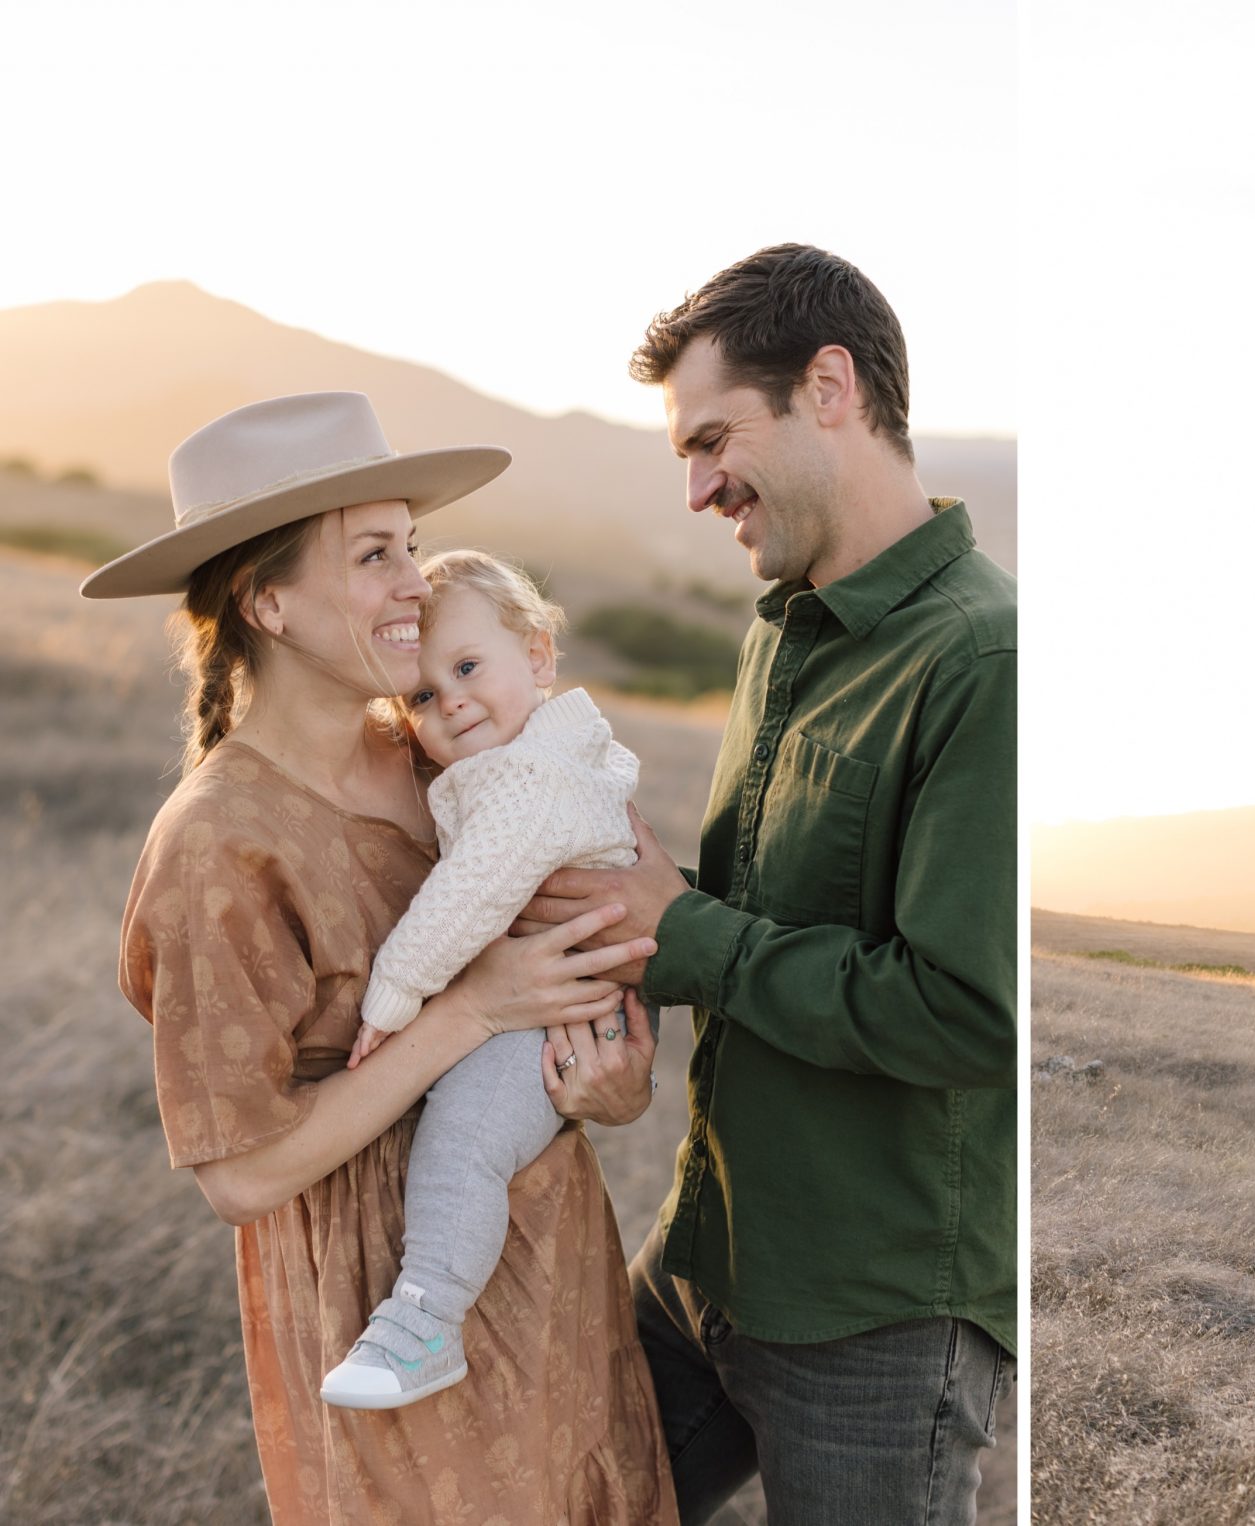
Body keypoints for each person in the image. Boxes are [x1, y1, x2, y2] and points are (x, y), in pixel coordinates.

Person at [87, 392, 679, 1523]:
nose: (416, 580)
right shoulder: (219, 844)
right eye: (373, 555)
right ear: (267, 602)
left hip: (553, 1276)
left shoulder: (439, 748)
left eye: (410, 543)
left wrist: (611, 1085)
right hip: (387, 1320)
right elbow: (240, 1176)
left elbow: (587, 965)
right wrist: (467, 1013)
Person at [514, 244, 1017, 1524]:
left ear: (829, 387)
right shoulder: (780, 632)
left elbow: (967, 1011)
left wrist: (685, 931)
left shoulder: (984, 659)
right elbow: (743, 918)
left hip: (872, 1320)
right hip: (707, 1252)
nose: (696, 488)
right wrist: (625, 943)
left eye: (712, 439)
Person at [319, 548, 648, 1409]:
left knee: (464, 1141)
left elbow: (467, 897)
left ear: (538, 656)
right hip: (558, 998)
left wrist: (393, 994)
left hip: (557, 1016)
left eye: (467, 669)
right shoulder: (539, 753)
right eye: (423, 696)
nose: (451, 701)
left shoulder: (530, 781)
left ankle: (427, 1321)